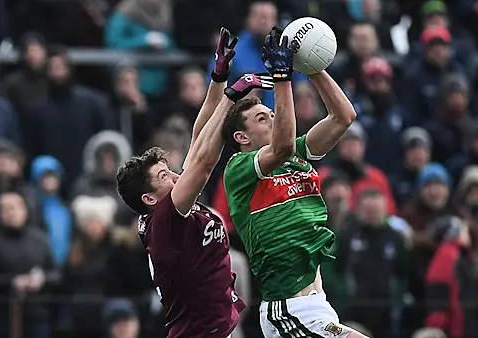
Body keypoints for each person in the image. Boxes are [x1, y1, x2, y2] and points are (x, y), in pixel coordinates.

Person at [115, 28, 274, 338]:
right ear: (149, 198)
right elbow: (202, 162)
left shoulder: (174, 209)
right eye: (164, 176)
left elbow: (199, 138)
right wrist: (231, 98)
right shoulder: (164, 219)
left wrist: (218, 77)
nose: (176, 176)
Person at [222, 27, 367, 338]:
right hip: (286, 307)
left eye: (272, 114)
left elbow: (344, 116)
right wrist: (282, 78)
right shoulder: (239, 168)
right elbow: (282, 146)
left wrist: (312, 66)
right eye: (263, 118)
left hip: (319, 305)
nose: (273, 119)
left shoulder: (297, 152)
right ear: (241, 138)